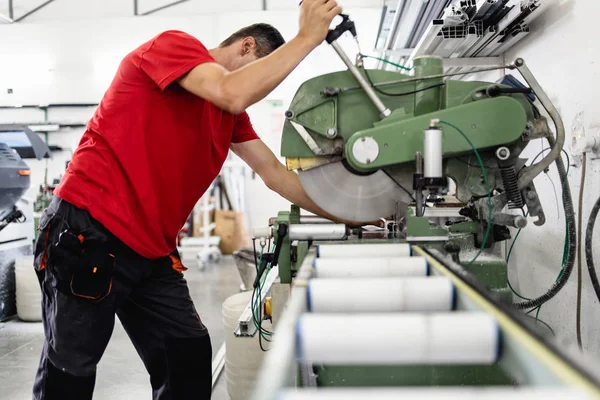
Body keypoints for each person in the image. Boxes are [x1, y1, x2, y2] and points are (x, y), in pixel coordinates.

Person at [32, 1, 343, 399]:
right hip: (90, 232)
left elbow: (278, 177)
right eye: (262, 73)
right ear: (246, 47)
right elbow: (232, 91)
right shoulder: (174, 46)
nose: (259, 90)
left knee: (189, 358)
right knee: (71, 370)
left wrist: (352, 216)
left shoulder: (230, 117)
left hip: (151, 252)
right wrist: (307, 38)